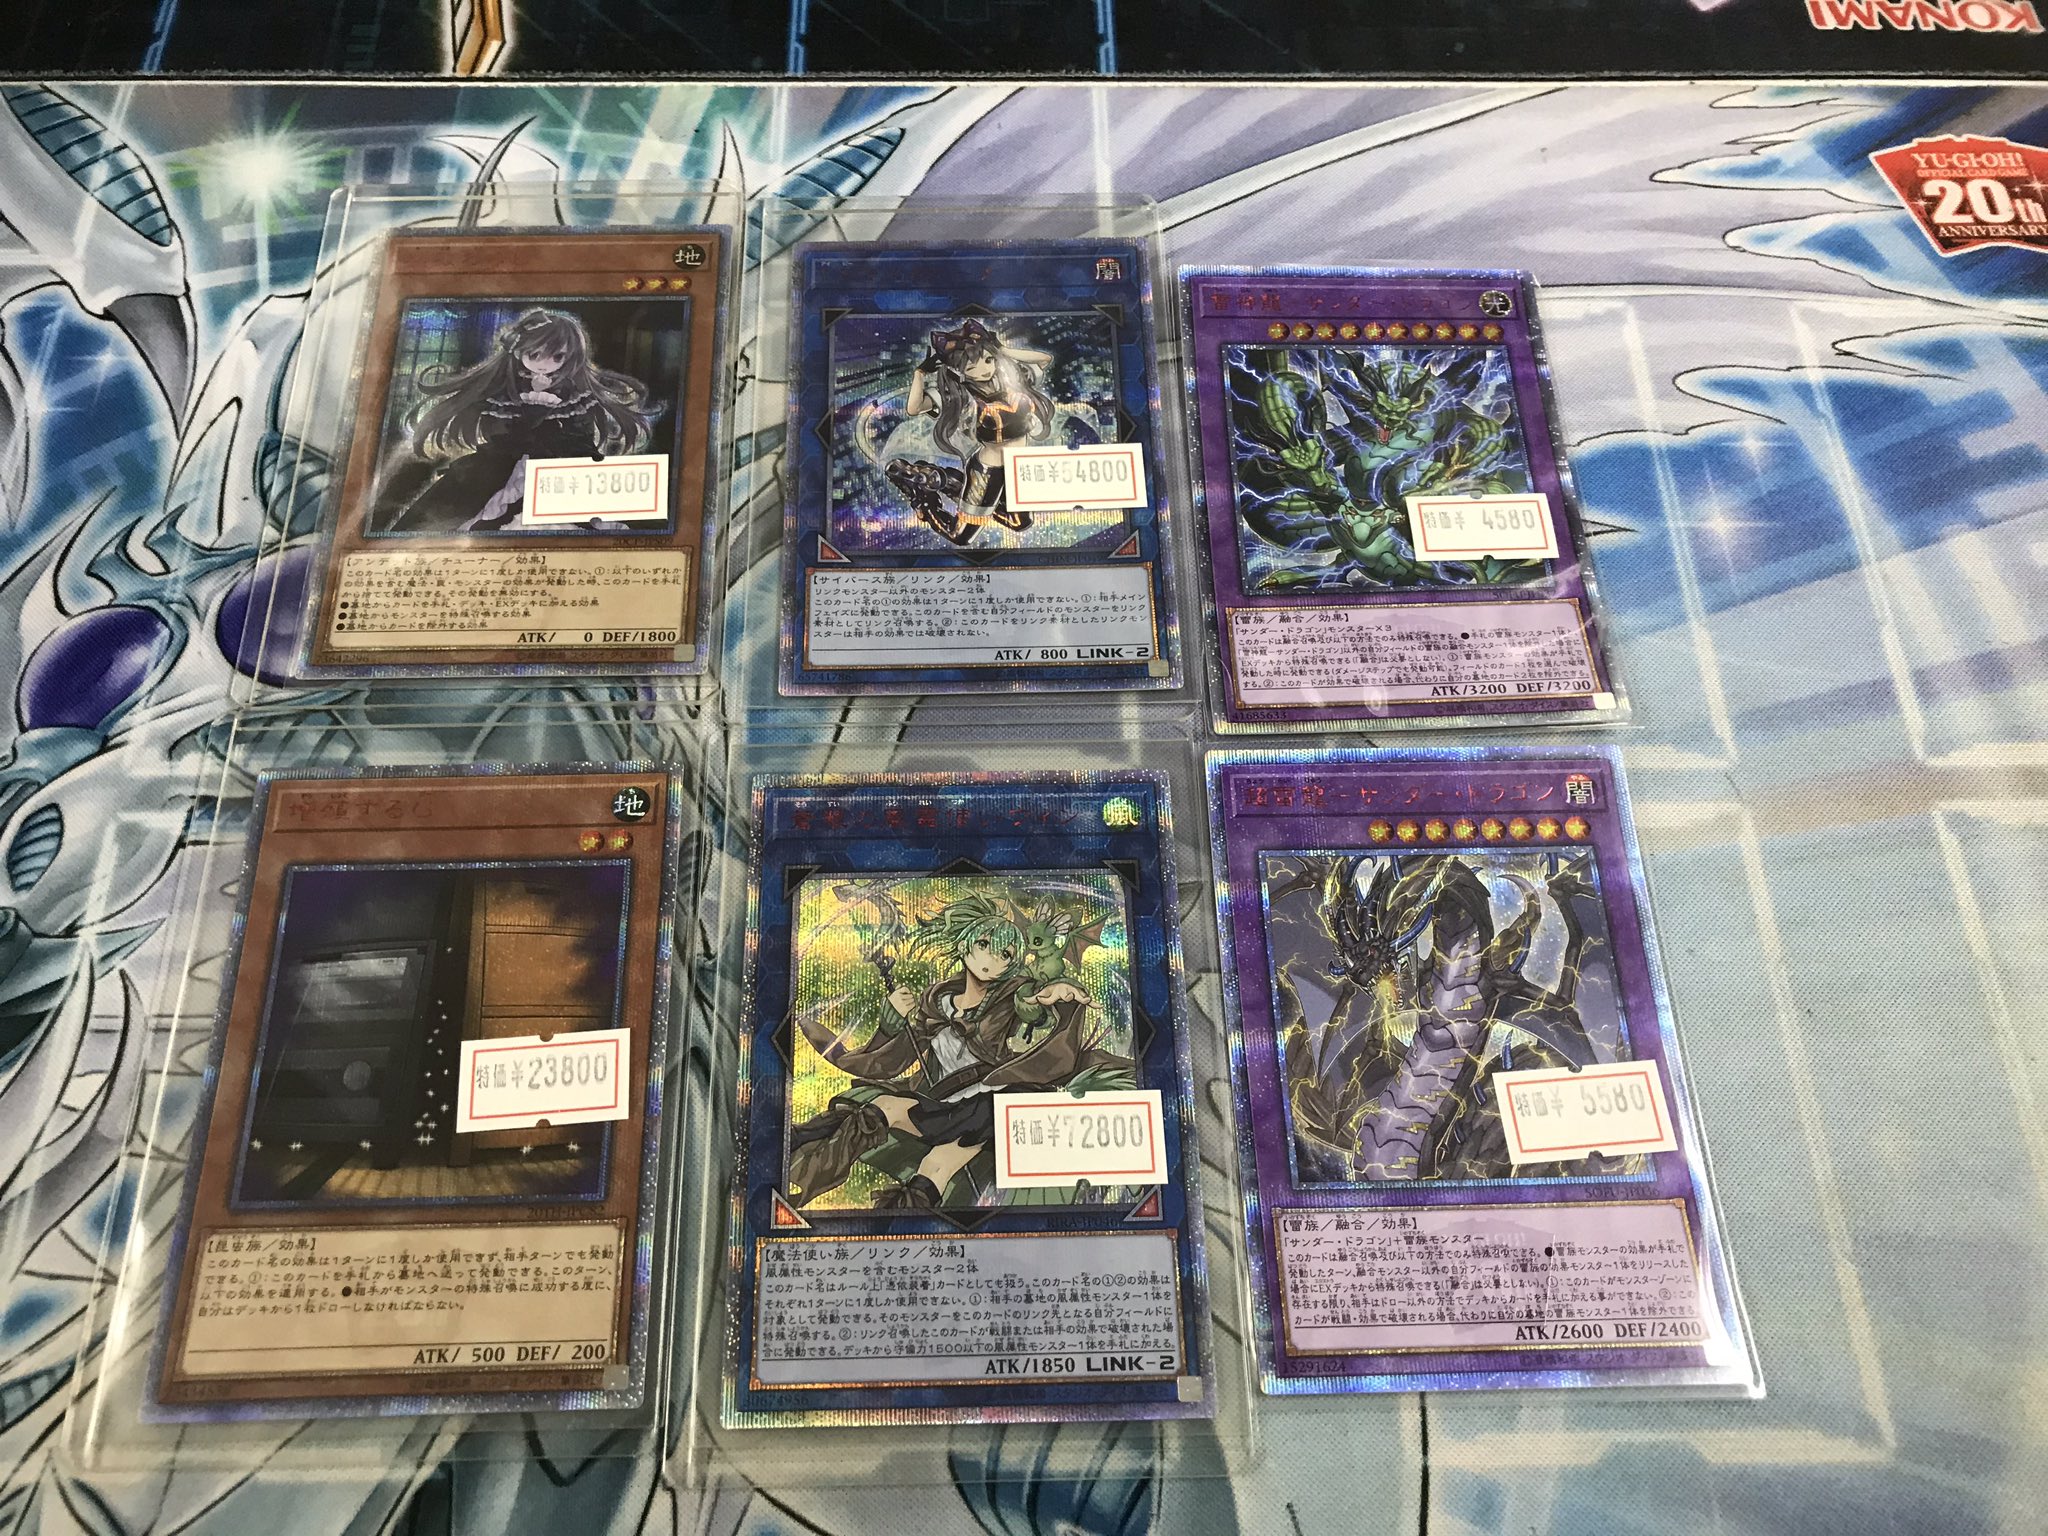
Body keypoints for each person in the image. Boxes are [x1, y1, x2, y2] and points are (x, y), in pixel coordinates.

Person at [787, 892, 1131, 1210]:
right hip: (945, 1103)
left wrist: (1058, 992)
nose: (992, 958)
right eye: (984, 944)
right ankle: (799, 1161)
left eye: (1005, 954)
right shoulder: (935, 1003)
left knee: (936, 1162)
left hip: (991, 1105)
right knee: (887, 1112)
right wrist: (890, 1023)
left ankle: (896, 1227)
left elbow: (1031, 1003)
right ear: (965, 945)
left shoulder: (1010, 997)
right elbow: (891, 1061)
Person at [376, 307, 657, 534]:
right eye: (534, 355)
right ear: (518, 352)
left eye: (557, 356)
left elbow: (580, 436)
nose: (545, 363)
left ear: (570, 357)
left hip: (560, 473)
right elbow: (501, 432)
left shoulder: (576, 395)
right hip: (501, 468)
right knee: (452, 517)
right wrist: (530, 417)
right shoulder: (504, 393)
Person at [883, 319, 1054, 546]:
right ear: (960, 371)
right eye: (972, 367)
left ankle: (948, 482)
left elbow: (1044, 359)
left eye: (988, 360)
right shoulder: (960, 396)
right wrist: (919, 374)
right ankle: (923, 497)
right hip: (988, 470)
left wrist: (1001, 349)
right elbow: (914, 408)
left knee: (1020, 522)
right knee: (960, 536)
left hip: (1017, 467)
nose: (984, 370)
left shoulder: (1014, 379)